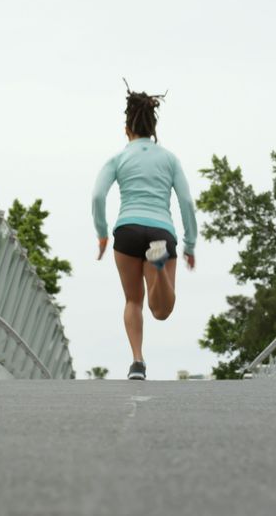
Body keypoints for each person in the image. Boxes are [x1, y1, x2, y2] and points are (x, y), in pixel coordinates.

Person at [92, 83, 197, 381]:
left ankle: (137, 362)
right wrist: (189, 244)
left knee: (133, 301)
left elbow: (98, 196)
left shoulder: (118, 158)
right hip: (161, 230)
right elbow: (186, 200)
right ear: (153, 130)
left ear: (127, 129)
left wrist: (102, 234)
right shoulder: (170, 159)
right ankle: (159, 266)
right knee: (162, 310)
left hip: (126, 230)